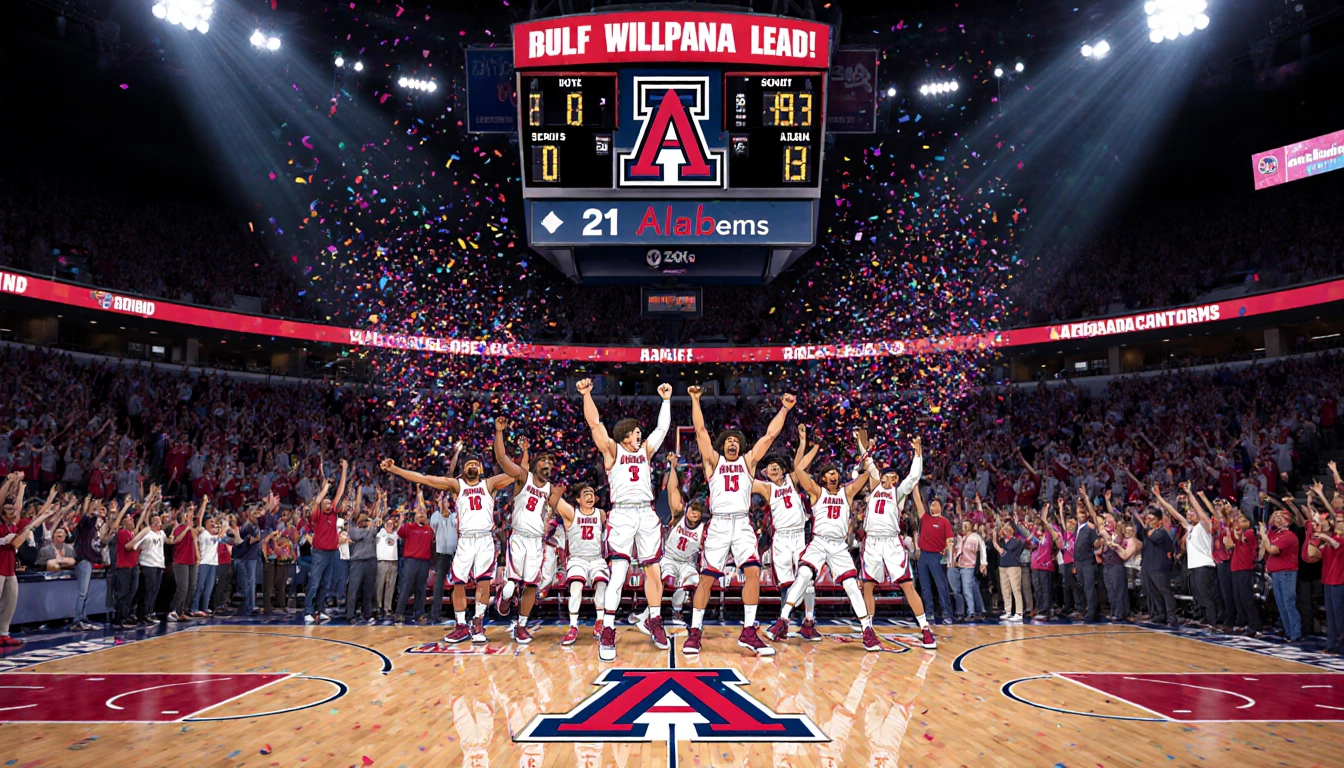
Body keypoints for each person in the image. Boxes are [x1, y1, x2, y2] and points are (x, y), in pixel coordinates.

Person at [684, 385, 794, 656]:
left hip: (743, 523)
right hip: (719, 524)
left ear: (740, 446)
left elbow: (769, 436)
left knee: (753, 571)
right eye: (728, 440)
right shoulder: (713, 461)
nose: (733, 442)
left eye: (736, 440)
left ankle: (748, 631)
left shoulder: (748, 462)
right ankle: (695, 631)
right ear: (722, 445)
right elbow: (700, 432)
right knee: (707, 579)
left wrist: (784, 409)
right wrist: (696, 400)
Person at [766, 431, 897, 651]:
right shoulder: (817, 493)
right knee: (804, 575)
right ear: (824, 478)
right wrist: (813, 446)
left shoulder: (847, 492)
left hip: (838, 546)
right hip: (818, 542)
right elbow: (798, 470)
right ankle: (783, 620)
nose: (834, 475)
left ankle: (867, 629)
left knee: (851, 586)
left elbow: (867, 474)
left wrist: (865, 451)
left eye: (836, 472)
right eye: (829, 473)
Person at [575, 377, 674, 663]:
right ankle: (607, 629)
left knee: (653, 572)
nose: (640, 435)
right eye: (636, 432)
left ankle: (654, 620)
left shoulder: (646, 451)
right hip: (622, 513)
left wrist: (666, 400)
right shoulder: (613, 451)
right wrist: (586, 395)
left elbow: (662, 428)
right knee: (617, 573)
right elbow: (595, 425)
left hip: (646, 512)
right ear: (624, 435)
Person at [381, 445, 514, 644]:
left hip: (485, 539)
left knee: (483, 583)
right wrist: (395, 470)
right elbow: (425, 479)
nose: (472, 466)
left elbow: (516, 473)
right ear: (463, 468)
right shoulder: (456, 486)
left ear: (480, 468)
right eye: (468, 464)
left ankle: (478, 623)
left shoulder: (489, 484)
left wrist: (524, 456)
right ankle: (461, 625)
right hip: (465, 540)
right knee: (457, 584)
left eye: (475, 464)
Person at [492, 419, 566, 644]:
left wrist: (558, 495)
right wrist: (499, 432)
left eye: (550, 462)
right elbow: (502, 459)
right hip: (519, 537)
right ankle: (504, 596)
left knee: (532, 585)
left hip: (537, 541)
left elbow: (551, 511)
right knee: (514, 583)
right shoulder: (523, 478)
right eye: (543, 460)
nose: (547, 464)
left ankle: (521, 626)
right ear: (535, 465)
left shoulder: (551, 489)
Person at [859, 436, 936, 648]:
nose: (892, 478)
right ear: (882, 477)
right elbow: (867, 462)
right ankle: (869, 630)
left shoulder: (898, 492)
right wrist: (861, 442)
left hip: (892, 541)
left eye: (895, 476)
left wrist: (918, 453)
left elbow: (913, 477)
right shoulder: (874, 486)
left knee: (907, 586)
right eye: (889, 475)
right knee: (868, 587)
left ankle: (925, 628)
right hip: (872, 541)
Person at [757, 430, 820, 638]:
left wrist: (803, 441)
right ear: (765, 472)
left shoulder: (792, 480)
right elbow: (747, 480)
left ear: (782, 469)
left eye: (777, 465)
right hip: (781, 538)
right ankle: (784, 623)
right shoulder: (767, 488)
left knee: (807, 578)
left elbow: (800, 464)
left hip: (800, 535)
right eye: (770, 466)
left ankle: (809, 621)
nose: (774, 467)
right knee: (785, 583)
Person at [0, 476, 61, 647]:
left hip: (9, 569)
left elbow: (32, 521)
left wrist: (22, 490)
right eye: (9, 510)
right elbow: (16, 541)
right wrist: (10, 482)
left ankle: (3, 634)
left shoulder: (14, 525)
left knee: (10, 603)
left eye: (13, 510)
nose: (14, 512)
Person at [650, 456, 702, 630]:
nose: (694, 513)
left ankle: (677, 611)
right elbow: (672, 490)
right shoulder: (678, 515)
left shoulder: (704, 528)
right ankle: (651, 614)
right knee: (662, 577)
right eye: (692, 510)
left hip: (687, 563)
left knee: (691, 580)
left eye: (698, 511)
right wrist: (672, 467)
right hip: (669, 558)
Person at [554, 482, 610, 645]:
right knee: (576, 587)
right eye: (586, 493)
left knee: (601, 585)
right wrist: (557, 491)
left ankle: (600, 622)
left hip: (597, 558)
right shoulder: (571, 514)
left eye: (592, 493)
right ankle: (573, 626)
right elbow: (555, 500)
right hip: (577, 558)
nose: (590, 496)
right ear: (578, 499)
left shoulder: (601, 514)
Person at [303, 459, 346, 624]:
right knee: (314, 582)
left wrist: (345, 470)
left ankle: (320, 610)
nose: (329, 503)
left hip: (332, 552)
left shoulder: (334, 513)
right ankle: (308, 610)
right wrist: (325, 488)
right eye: (326, 502)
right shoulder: (318, 515)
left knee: (325, 583)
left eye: (330, 502)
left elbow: (340, 491)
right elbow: (315, 502)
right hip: (319, 553)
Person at [427, 442, 462, 625]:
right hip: (442, 555)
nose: (446, 502)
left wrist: (456, 454)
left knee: (458, 583)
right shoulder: (436, 517)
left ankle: (459, 615)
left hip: (456, 554)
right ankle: (435, 615)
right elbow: (449, 475)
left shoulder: (456, 515)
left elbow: (451, 476)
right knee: (439, 585)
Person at [1136, 494, 1178, 628]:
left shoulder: (1161, 532)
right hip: (1148, 566)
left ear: (1159, 521)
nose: (1148, 521)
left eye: (1151, 519)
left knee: (1164, 591)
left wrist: (1146, 526)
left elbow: (1153, 539)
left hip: (1159, 567)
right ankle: (1160, 614)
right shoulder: (1149, 532)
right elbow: (1142, 536)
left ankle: (1172, 617)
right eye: (1147, 519)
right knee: (1153, 592)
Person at [1259, 508, 1300, 641]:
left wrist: (1263, 535)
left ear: (1288, 521)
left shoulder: (1289, 536)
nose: (1277, 518)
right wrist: (1264, 533)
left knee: (1288, 602)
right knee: (1281, 603)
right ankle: (1287, 631)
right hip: (1276, 573)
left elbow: (1272, 549)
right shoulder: (1274, 533)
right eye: (1276, 515)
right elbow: (1263, 550)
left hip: (1287, 572)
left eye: (1281, 517)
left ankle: (1295, 633)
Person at [168, 499, 206, 622]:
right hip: (180, 560)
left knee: (192, 586)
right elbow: (176, 540)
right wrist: (187, 529)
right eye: (187, 515)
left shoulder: (194, 530)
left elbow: (195, 540)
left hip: (192, 560)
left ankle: (183, 610)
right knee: (182, 587)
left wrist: (197, 555)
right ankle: (174, 610)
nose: (189, 517)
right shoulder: (178, 528)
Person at [1226, 511, 1262, 636]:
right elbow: (1229, 542)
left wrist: (1234, 527)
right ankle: (1243, 623)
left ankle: (1255, 624)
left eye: (1242, 520)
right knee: (1238, 598)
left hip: (1245, 568)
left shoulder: (1250, 532)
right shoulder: (1240, 532)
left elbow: (1239, 538)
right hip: (1236, 568)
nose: (1239, 523)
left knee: (1247, 598)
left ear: (1248, 522)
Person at [1313, 512, 1344, 653]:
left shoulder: (1338, 539)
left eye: (1342, 520)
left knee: (1339, 616)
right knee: (1330, 616)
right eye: (1337, 521)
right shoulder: (1329, 539)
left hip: (1339, 582)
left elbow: (1336, 544)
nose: (1339, 523)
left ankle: (1340, 646)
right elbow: (1315, 554)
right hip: (1328, 581)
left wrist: (1324, 537)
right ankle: (1331, 645)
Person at [132, 510, 167, 624]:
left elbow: (170, 541)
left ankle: (149, 613)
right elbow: (136, 546)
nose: (159, 524)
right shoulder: (146, 533)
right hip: (148, 564)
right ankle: (141, 614)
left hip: (159, 564)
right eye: (156, 522)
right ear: (151, 523)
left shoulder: (161, 534)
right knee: (147, 590)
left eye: (160, 522)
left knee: (154, 590)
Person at [991, 520, 1026, 622]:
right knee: (1005, 589)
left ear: (1012, 529)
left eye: (1007, 527)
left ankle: (1019, 612)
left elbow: (1003, 550)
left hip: (1013, 566)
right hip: (1003, 566)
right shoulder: (1002, 540)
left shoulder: (1016, 541)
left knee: (1016, 589)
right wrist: (995, 534)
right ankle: (1008, 611)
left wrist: (994, 541)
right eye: (1004, 527)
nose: (1005, 529)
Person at [375, 513, 400, 619]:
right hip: (382, 562)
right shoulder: (380, 533)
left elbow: (399, 531)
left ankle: (387, 608)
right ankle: (377, 607)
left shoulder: (395, 534)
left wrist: (401, 520)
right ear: (384, 523)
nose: (390, 524)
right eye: (388, 522)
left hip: (394, 562)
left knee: (391, 586)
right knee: (380, 586)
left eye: (392, 522)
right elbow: (376, 523)